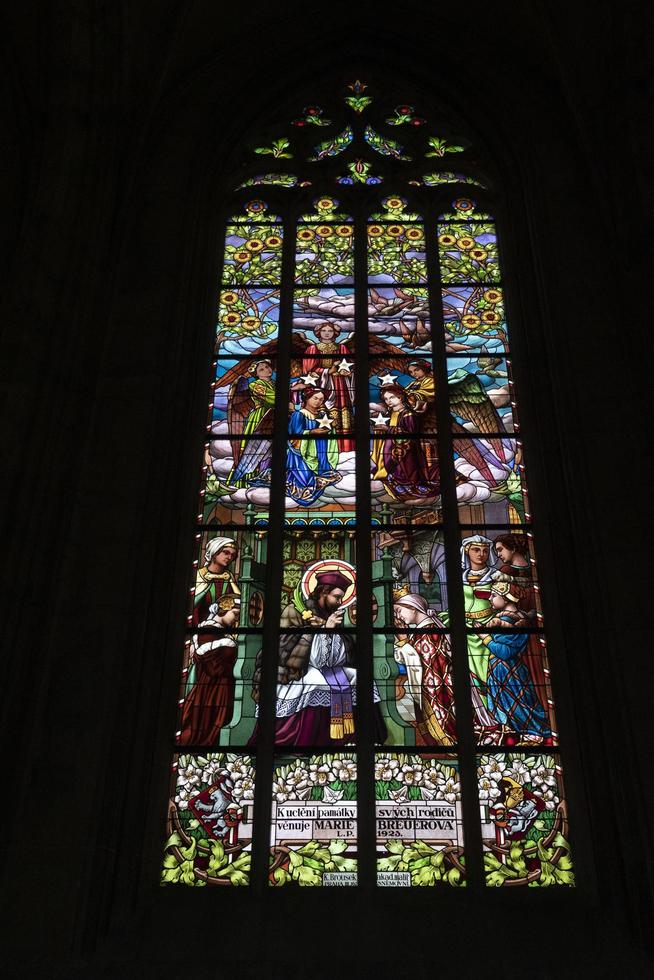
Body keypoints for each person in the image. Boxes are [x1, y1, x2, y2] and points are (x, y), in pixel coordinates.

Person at [252, 568, 386, 746]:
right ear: (323, 592)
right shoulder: (294, 611)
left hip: (327, 668)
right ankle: (313, 742)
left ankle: (363, 739)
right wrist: (323, 630)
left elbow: (339, 655)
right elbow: (284, 648)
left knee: (363, 680)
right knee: (317, 683)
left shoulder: (331, 615)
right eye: (337, 597)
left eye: (341, 598)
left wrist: (328, 630)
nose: (340, 602)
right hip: (294, 670)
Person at [479, 583, 553, 744]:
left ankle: (533, 731)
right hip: (500, 673)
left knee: (520, 705)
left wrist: (485, 638)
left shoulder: (515, 622)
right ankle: (509, 729)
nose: (490, 599)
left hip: (512, 674)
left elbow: (506, 652)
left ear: (506, 598)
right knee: (505, 705)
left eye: (493, 595)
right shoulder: (501, 620)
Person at [393, 593, 456, 745]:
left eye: (399, 611)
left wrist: (403, 641)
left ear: (413, 608)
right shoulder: (422, 631)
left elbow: (422, 661)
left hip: (438, 691)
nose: (398, 616)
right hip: (431, 687)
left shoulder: (429, 631)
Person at [178, 596, 241, 746]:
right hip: (211, 689)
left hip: (218, 688)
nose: (236, 619)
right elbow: (213, 667)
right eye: (235, 614)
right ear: (222, 611)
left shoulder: (218, 633)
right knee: (206, 722)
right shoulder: (208, 632)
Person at [371, 384, 440, 502]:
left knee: (405, 475)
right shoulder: (392, 413)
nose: (388, 401)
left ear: (400, 397)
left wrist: (387, 429)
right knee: (394, 473)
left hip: (408, 454)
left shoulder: (408, 414)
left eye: (392, 397)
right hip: (393, 451)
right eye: (386, 399)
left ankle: (408, 484)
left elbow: (410, 434)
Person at [298, 322, 355, 451]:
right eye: (324, 330)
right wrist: (327, 371)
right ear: (319, 333)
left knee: (342, 413)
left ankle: (344, 448)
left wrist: (347, 372)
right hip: (321, 386)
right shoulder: (313, 349)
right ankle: (322, 448)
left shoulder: (342, 348)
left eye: (330, 330)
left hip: (340, 386)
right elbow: (308, 370)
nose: (327, 333)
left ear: (335, 333)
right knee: (322, 411)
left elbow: (350, 366)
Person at [286, 387, 340, 505]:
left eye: (321, 399)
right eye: (315, 398)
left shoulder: (322, 415)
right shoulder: (299, 415)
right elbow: (294, 436)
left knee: (324, 472)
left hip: (321, 449)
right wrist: (311, 432)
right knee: (305, 481)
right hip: (302, 454)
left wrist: (332, 428)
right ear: (307, 398)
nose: (318, 402)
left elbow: (327, 429)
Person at [227, 359, 275, 487]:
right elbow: (273, 399)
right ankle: (246, 483)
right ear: (256, 374)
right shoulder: (255, 385)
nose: (267, 370)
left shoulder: (275, 384)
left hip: (277, 417)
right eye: (262, 369)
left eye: (267, 367)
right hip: (262, 418)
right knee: (255, 449)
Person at [192, 536, 240, 626]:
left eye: (233, 555)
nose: (229, 557)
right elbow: (191, 603)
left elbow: (237, 601)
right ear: (214, 552)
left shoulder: (229, 577)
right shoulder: (199, 575)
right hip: (199, 624)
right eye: (226, 552)